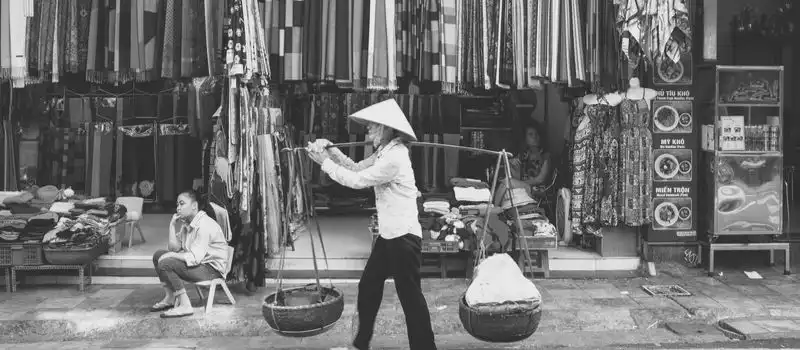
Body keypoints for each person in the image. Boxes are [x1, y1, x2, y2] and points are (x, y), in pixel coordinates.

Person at [306, 99, 436, 350]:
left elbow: (357, 181)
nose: (367, 131)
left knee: (410, 298)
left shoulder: (395, 157)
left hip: (403, 239)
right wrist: (331, 151)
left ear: (387, 129)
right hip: (389, 237)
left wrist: (324, 162)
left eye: (373, 127)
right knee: (368, 286)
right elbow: (355, 167)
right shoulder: (383, 152)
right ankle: (361, 343)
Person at [149, 190, 228, 318]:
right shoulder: (187, 224)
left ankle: (185, 305)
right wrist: (172, 225)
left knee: (166, 262)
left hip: (211, 270)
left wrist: (171, 256)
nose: (178, 208)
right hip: (200, 265)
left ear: (194, 206)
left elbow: (194, 258)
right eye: (177, 205)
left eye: (182, 204)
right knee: (158, 255)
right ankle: (170, 297)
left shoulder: (204, 225)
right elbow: (174, 248)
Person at [494, 121, 552, 206]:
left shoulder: (545, 156)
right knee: (505, 182)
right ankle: (495, 208)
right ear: (525, 138)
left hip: (538, 189)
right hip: (525, 186)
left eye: (536, 134)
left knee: (506, 183)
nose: (534, 137)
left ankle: (494, 208)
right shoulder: (524, 155)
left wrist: (522, 183)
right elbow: (517, 177)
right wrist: (510, 164)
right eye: (530, 134)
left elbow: (540, 179)